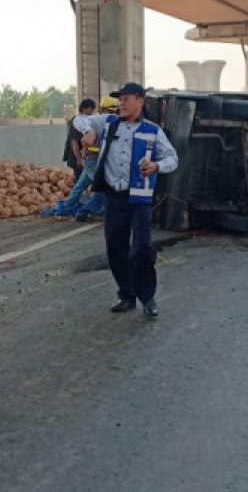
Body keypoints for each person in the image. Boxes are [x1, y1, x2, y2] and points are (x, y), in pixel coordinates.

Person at [76, 82, 178, 318]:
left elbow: (173, 158)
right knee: (115, 248)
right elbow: (79, 119)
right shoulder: (108, 124)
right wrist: (88, 131)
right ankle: (126, 294)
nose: (121, 103)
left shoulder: (153, 130)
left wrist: (156, 166)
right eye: (119, 99)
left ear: (140, 102)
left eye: (126, 99)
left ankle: (147, 297)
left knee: (141, 248)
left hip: (140, 198)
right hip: (114, 197)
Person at [63, 98, 96, 179]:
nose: (92, 112)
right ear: (84, 109)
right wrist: (79, 158)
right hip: (77, 156)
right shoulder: (77, 122)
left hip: (85, 156)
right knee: (79, 180)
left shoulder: (87, 121)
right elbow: (74, 142)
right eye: (90, 109)